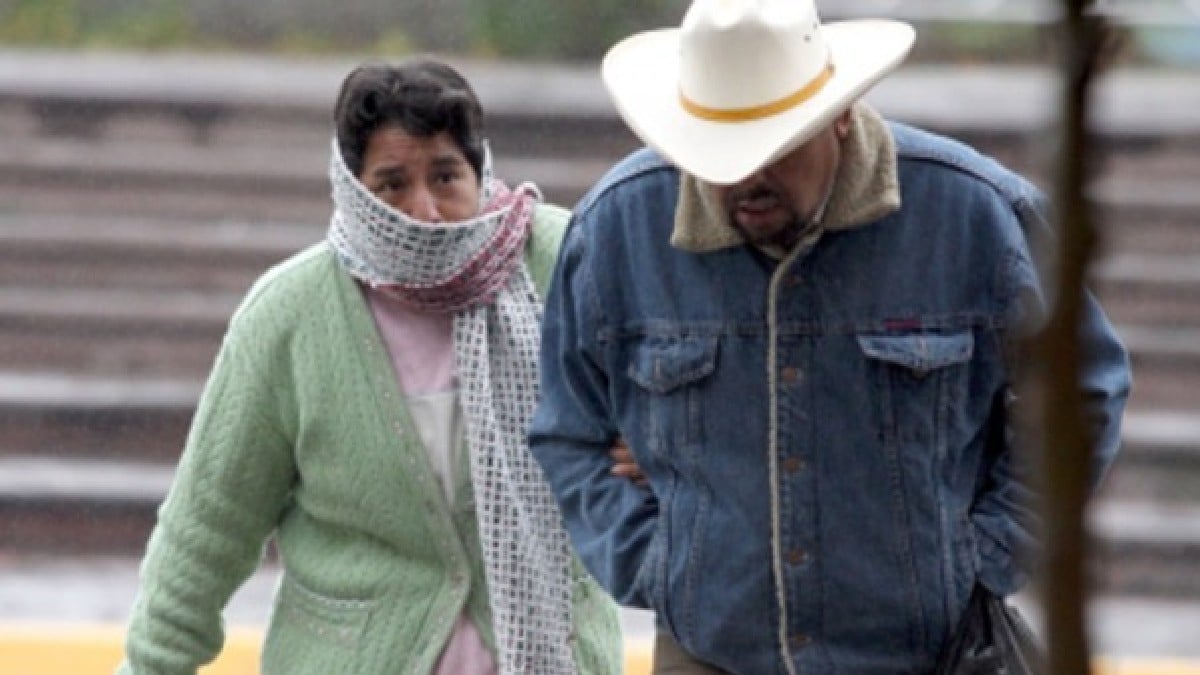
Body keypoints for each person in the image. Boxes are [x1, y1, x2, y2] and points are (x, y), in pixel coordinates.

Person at [529, 2, 1132, 674]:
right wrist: (657, 564)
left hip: (935, 656)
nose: (745, 178)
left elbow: (1085, 389)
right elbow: (568, 432)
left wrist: (987, 554)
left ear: (841, 114)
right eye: (718, 154)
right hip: (710, 654)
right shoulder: (615, 230)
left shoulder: (977, 214)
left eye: (777, 148)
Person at [117, 58, 623, 675]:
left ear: (480, 170)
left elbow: (667, 420)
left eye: (445, 176)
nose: (426, 210)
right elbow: (206, 532)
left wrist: (646, 453)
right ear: (354, 189)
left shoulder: (566, 267)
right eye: (392, 183)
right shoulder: (290, 317)